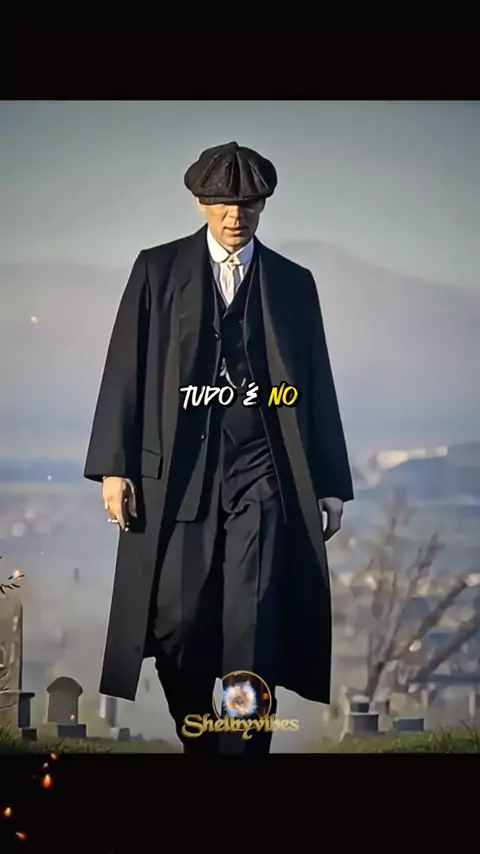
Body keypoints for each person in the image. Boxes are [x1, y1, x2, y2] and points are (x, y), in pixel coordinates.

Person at [84, 141, 354, 754]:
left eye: (248, 204)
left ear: (263, 206)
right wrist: (114, 468)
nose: (236, 215)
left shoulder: (293, 283)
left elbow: (316, 380)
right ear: (200, 203)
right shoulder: (156, 270)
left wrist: (330, 482)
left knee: (252, 629)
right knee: (178, 627)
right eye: (224, 203)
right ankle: (202, 745)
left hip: (264, 473)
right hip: (177, 476)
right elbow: (125, 368)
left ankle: (243, 757)